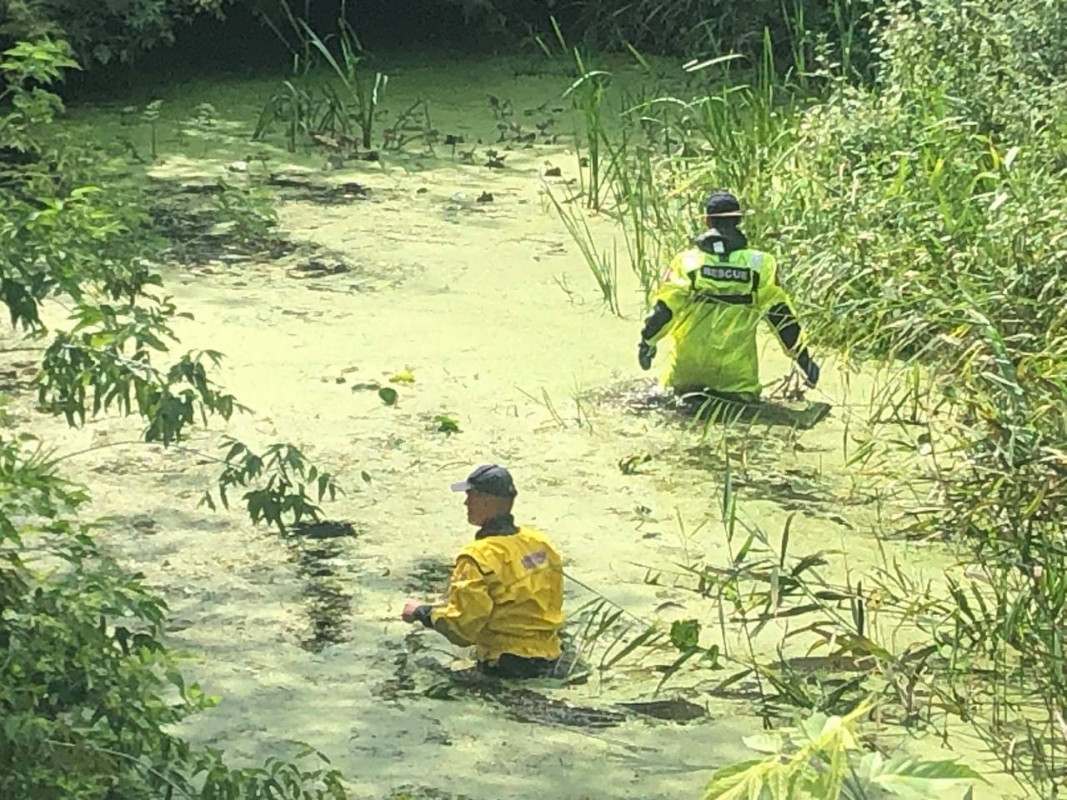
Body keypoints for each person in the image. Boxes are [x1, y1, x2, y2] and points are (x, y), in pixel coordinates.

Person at [637, 191, 820, 404]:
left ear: (707, 221)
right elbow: (780, 315)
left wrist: (647, 342)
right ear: (738, 221)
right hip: (737, 381)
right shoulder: (761, 263)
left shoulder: (686, 262)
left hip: (686, 373)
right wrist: (803, 359)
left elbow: (664, 310)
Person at [402, 464, 565, 679]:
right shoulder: (539, 543)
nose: (466, 503)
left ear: (486, 501)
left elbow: (463, 628)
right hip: (553, 656)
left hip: (506, 664)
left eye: (471, 496)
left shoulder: (477, 557)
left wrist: (421, 612)